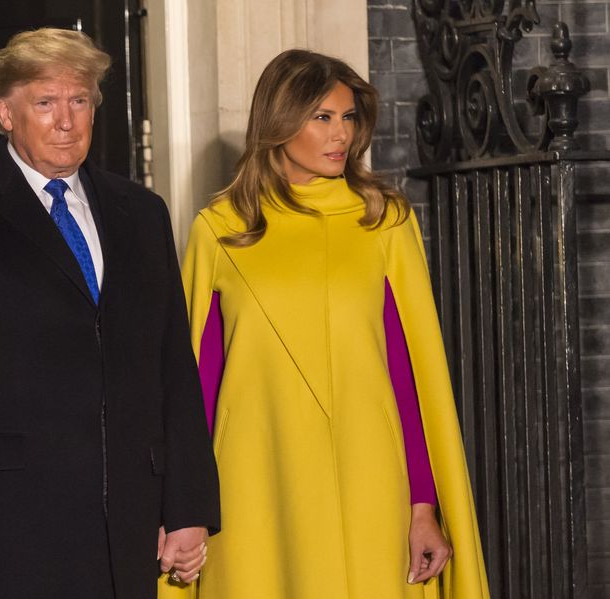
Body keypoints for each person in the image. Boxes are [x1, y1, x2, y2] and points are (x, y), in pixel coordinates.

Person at [0, 28, 219, 599]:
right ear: (3, 112)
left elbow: (172, 365)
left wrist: (187, 506)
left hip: (122, 524)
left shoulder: (141, 212)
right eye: (45, 102)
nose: (66, 120)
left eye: (79, 100)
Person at [162, 50, 489, 598]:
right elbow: (198, 385)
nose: (341, 134)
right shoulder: (220, 229)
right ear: (279, 122)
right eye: (322, 117)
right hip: (257, 485)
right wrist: (185, 508)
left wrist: (423, 504)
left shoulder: (382, 218)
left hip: (372, 481)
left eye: (348, 117)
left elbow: (409, 376)